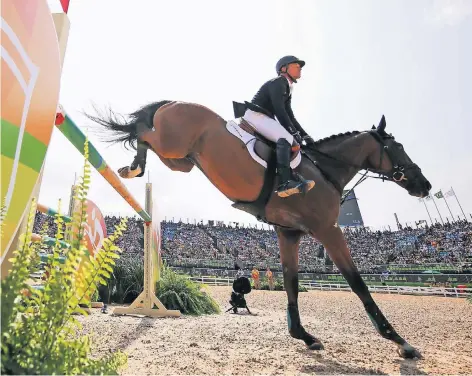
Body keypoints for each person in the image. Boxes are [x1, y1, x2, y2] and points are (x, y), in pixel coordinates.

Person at [233, 55, 316, 198]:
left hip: (263, 117)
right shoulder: (278, 82)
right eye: (296, 65)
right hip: (255, 115)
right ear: (284, 68)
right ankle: (284, 183)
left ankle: (289, 175)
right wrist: (293, 133)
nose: (299, 67)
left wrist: (305, 135)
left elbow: (290, 116)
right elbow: (280, 111)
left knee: (291, 140)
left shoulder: (287, 87)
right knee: (286, 138)